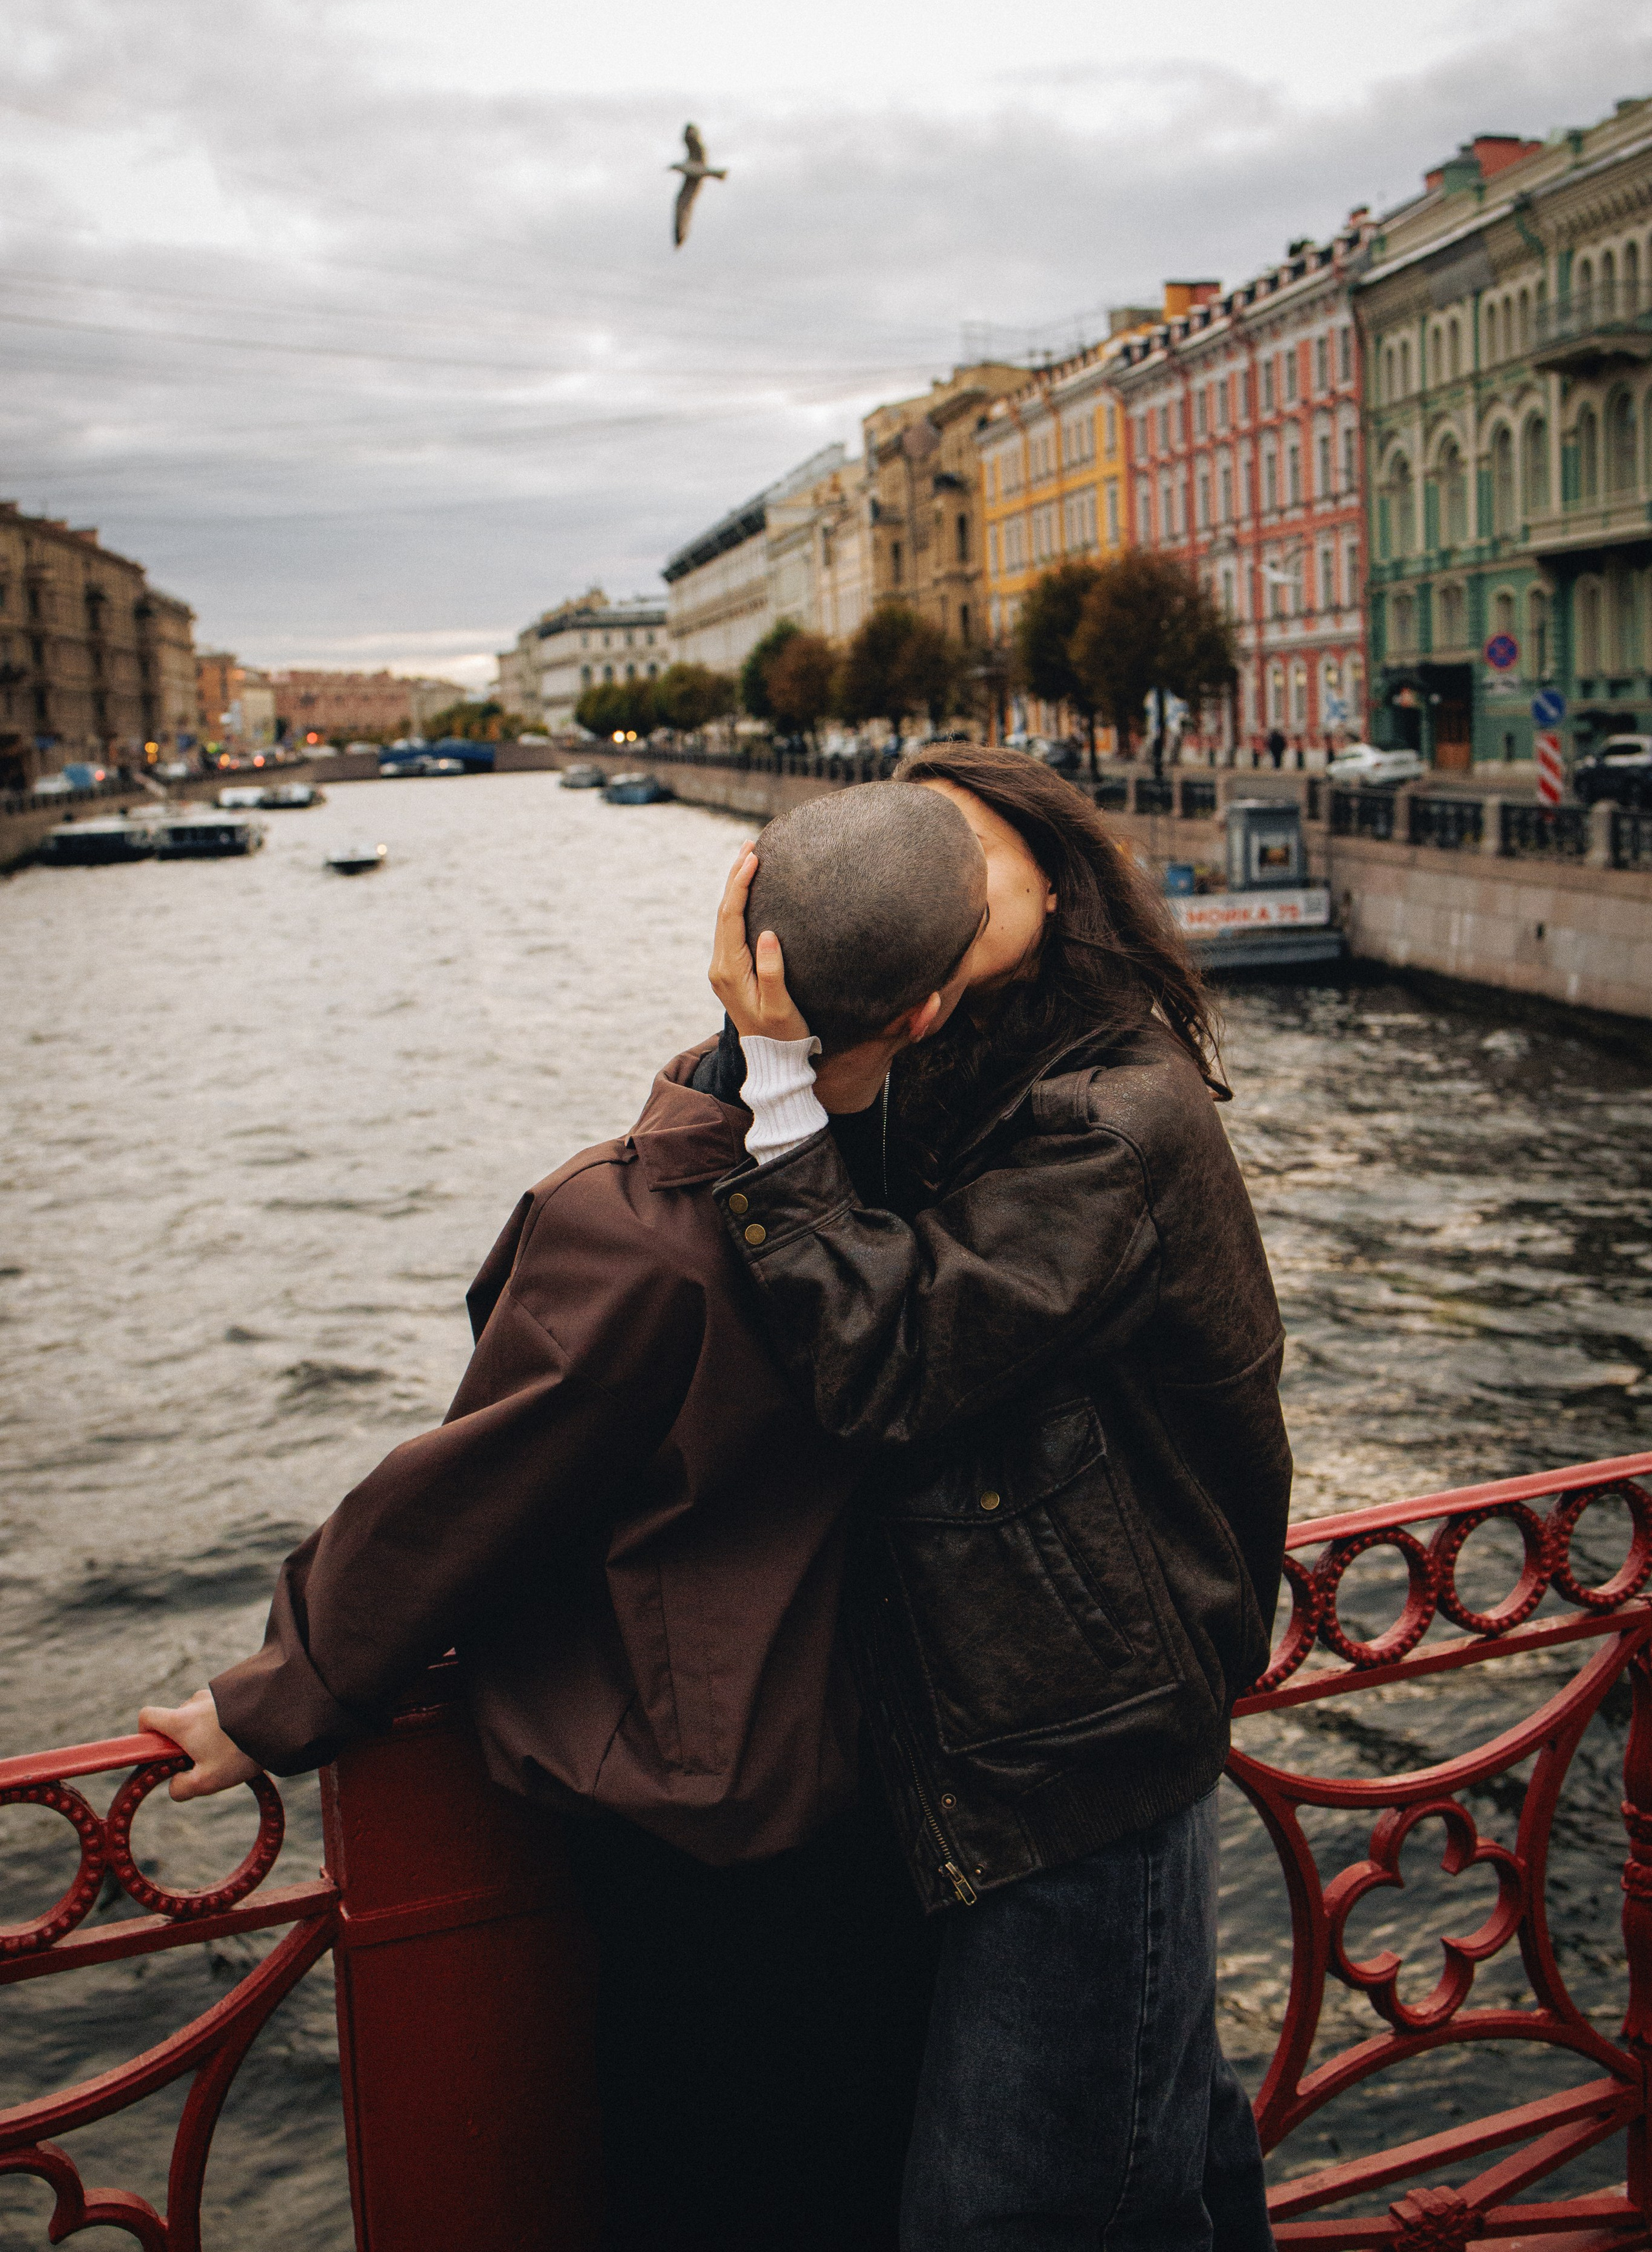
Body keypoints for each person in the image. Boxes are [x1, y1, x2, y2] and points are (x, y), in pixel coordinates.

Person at [139, 778, 991, 2252]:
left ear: (736, 944)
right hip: (891, 1786)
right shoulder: (926, 1186)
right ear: (924, 1018)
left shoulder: (631, 1228)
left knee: (702, 2180)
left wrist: (277, 1694)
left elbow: (471, 1492)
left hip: (695, 1816)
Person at [706, 742, 1291, 2252]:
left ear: (1053, 870)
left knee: (1014, 2211)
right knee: (1161, 2161)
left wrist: (782, 1090)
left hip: (1078, 1741)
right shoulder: (951, 1052)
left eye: (960, 849)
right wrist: (783, 1025)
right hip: (1003, 1711)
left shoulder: (1106, 1114)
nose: (930, 876)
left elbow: (886, 1357)